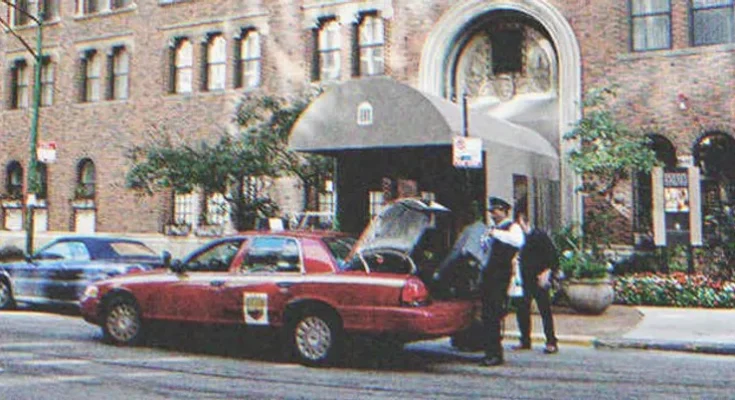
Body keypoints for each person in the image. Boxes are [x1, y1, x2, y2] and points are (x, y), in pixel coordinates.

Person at [479, 196, 525, 367]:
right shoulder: (493, 228)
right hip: (489, 274)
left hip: (501, 275)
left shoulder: (512, 227)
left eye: (496, 211)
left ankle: (495, 354)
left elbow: (517, 241)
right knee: (487, 316)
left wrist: (495, 234)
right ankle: (489, 351)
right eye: (492, 211)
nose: (493, 214)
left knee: (494, 314)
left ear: (505, 211)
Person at [513, 212, 560, 354]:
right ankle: (525, 340)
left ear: (524, 222)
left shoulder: (539, 236)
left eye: (519, 223)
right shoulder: (519, 240)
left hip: (539, 278)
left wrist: (548, 272)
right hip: (524, 279)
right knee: (522, 309)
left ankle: (551, 341)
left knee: (544, 310)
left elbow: (553, 256)